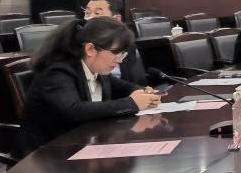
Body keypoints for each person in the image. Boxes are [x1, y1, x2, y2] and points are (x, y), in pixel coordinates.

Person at [16, 18, 161, 156]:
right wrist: (132, 103)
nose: (120, 60)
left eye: (122, 54)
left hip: (86, 144)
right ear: (90, 49)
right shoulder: (58, 72)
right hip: (47, 153)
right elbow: (74, 110)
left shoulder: (98, 70)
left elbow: (125, 87)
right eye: (116, 53)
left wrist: (143, 93)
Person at [83, 0, 146, 84]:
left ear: (116, 19)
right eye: (87, 13)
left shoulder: (126, 44)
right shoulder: (77, 47)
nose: (89, 18)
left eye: (97, 13)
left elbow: (128, 82)